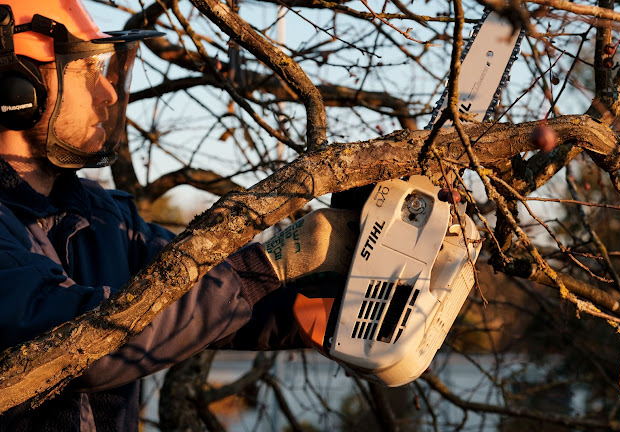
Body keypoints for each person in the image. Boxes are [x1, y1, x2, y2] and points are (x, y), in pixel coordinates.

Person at [0, 1, 357, 431]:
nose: (109, 91)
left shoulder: (103, 215)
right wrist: (273, 262)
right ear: (16, 91)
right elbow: (79, 347)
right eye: (83, 69)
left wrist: (337, 294)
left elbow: (200, 294)